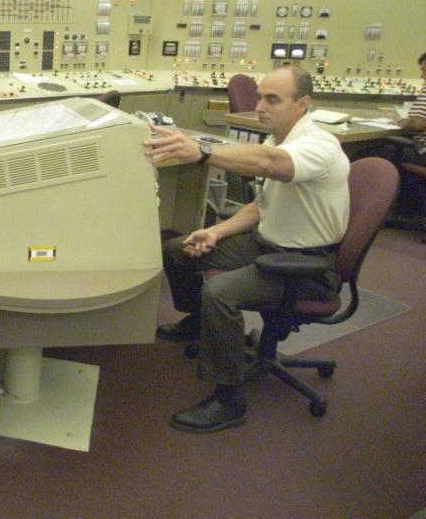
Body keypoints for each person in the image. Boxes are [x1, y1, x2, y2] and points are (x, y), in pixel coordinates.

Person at [145, 66, 350, 433]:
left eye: (273, 99)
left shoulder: (318, 145)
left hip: (306, 266)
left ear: (303, 104)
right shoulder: (278, 140)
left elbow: (272, 165)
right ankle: (199, 322)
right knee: (178, 248)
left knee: (219, 292)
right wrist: (214, 231)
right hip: (265, 244)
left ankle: (228, 399)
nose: (260, 106)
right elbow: (261, 206)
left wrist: (202, 151)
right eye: (260, 97)